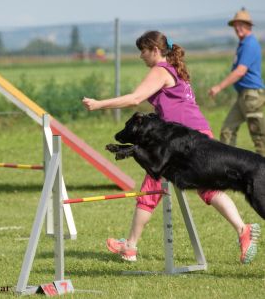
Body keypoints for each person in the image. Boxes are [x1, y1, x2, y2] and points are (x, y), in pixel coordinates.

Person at [83, 30, 260, 264]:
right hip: (198, 135)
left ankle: (130, 247)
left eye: (143, 51)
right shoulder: (175, 68)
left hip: (180, 143)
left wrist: (98, 104)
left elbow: (135, 98)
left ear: (155, 50)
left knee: (151, 187)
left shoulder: (160, 71)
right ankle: (242, 229)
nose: (140, 57)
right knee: (207, 186)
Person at [209, 8, 265, 156]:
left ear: (249, 26)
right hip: (244, 96)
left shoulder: (249, 44)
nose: (237, 28)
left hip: (252, 96)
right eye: (235, 25)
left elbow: (240, 71)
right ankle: (226, 167)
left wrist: (219, 87)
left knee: (259, 138)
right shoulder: (243, 44)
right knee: (227, 131)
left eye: (241, 24)